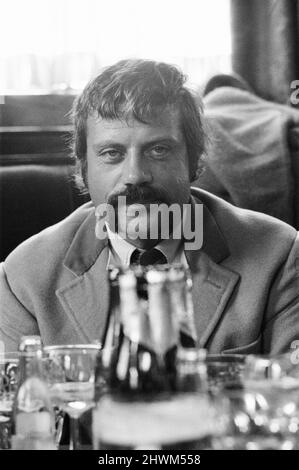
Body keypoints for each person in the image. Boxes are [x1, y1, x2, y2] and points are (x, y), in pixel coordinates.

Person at [0, 59, 298, 355]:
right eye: (112, 153)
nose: (135, 175)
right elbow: (23, 401)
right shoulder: (23, 279)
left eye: (158, 150)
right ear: (83, 168)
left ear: (195, 162)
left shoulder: (279, 257)